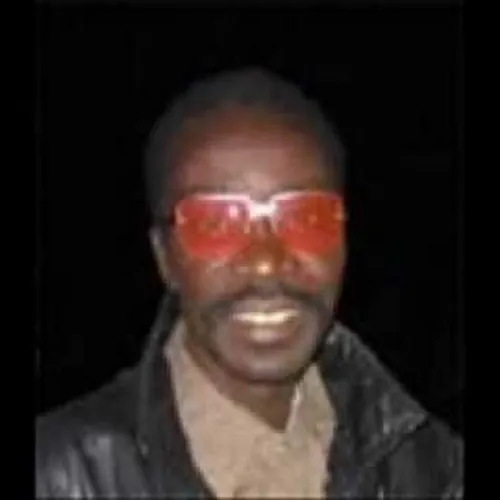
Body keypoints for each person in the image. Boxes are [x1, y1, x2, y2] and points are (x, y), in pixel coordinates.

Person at [36, 67, 463, 498]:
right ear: (165, 258)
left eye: (306, 218)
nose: (265, 263)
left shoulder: (431, 470)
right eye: (216, 224)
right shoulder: (62, 477)